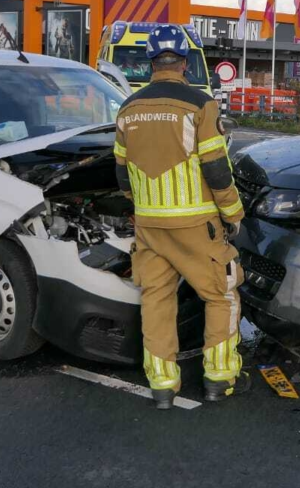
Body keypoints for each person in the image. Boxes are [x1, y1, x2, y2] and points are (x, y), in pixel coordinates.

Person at [112, 24, 247, 410]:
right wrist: (233, 213)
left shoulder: (128, 108)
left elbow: (122, 174)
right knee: (221, 294)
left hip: (149, 226)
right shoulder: (200, 104)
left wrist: (143, 207)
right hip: (195, 226)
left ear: (151, 62)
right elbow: (217, 169)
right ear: (184, 63)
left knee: (156, 299)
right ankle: (219, 379)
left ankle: (162, 386)